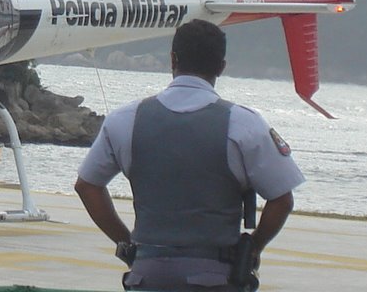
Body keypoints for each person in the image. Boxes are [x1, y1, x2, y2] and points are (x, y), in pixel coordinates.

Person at [74, 19, 303, 292]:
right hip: (215, 275)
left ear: (173, 59)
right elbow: (282, 200)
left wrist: (127, 243)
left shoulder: (125, 119)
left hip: (147, 274)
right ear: (221, 66)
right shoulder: (244, 124)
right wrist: (253, 247)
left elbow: (87, 186)